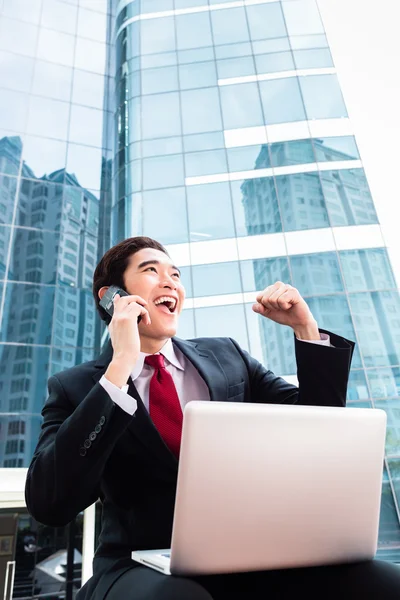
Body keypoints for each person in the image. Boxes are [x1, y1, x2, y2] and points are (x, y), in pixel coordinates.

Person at [25, 236, 400, 600]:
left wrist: (306, 330)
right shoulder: (76, 387)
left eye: (175, 274)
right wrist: (121, 365)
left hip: (249, 555)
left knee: (382, 581)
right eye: (151, 271)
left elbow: (319, 427)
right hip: (137, 565)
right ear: (112, 297)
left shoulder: (227, 356)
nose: (169, 281)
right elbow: (50, 503)